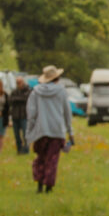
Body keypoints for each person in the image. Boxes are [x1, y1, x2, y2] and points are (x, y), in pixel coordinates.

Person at [27, 65, 74, 193]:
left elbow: (31, 113)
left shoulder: (35, 92)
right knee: (52, 159)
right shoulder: (62, 92)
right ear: (57, 78)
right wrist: (70, 132)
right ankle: (49, 186)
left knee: (41, 157)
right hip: (57, 130)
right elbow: (67, 113)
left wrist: (29, 132)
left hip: (41, 130)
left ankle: (39, 184)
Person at [7, 76, 30, 155]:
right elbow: (10, 100)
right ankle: (19, 149)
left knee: (25, 134)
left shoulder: (27, 90)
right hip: (15, 116)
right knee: (17, 135)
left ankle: (26, 149)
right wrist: (19, 99)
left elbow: (25, 99)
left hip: (24, 116)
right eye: (17, 82)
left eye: (19, 82)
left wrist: (16, 99)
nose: (18, 84)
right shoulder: (14, 91)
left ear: (23, 82)